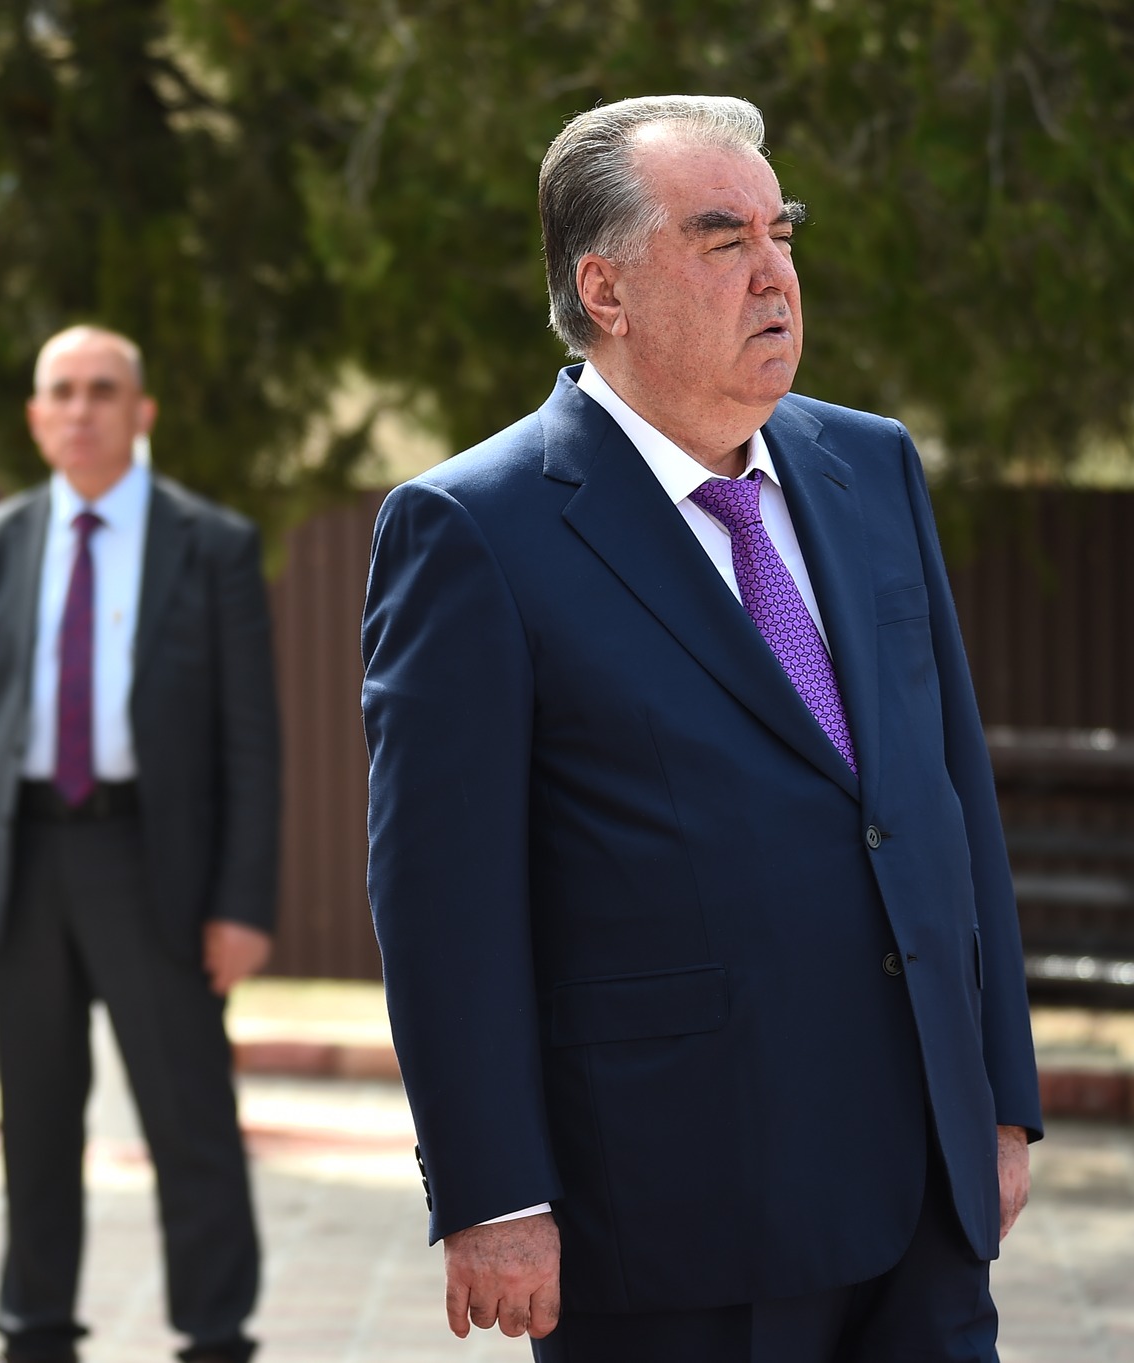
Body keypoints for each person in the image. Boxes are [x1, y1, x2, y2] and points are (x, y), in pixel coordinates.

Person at [361, 95, 1040, 1361]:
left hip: (923, 1187)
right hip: (675, 1207)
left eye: (781, 233)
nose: (773, 273)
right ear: (603, 290)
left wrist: (998, 1095)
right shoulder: (472, 529)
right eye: (722, 239)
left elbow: (946, 795)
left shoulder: (871, 466)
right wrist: (494, 1193)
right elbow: (440, 900)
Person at [0, 325, 280, 1363]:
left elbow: (252, 741)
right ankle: (34, 1330)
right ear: (37, 418)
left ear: (140, 412)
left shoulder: (210, 545)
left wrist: (243, 903)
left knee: (188, 1115)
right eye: (62, 392)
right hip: (21, 861)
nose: (81, 409)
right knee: (34, 1118)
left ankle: (215, 1332)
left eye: (102, 390)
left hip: (153, 864)